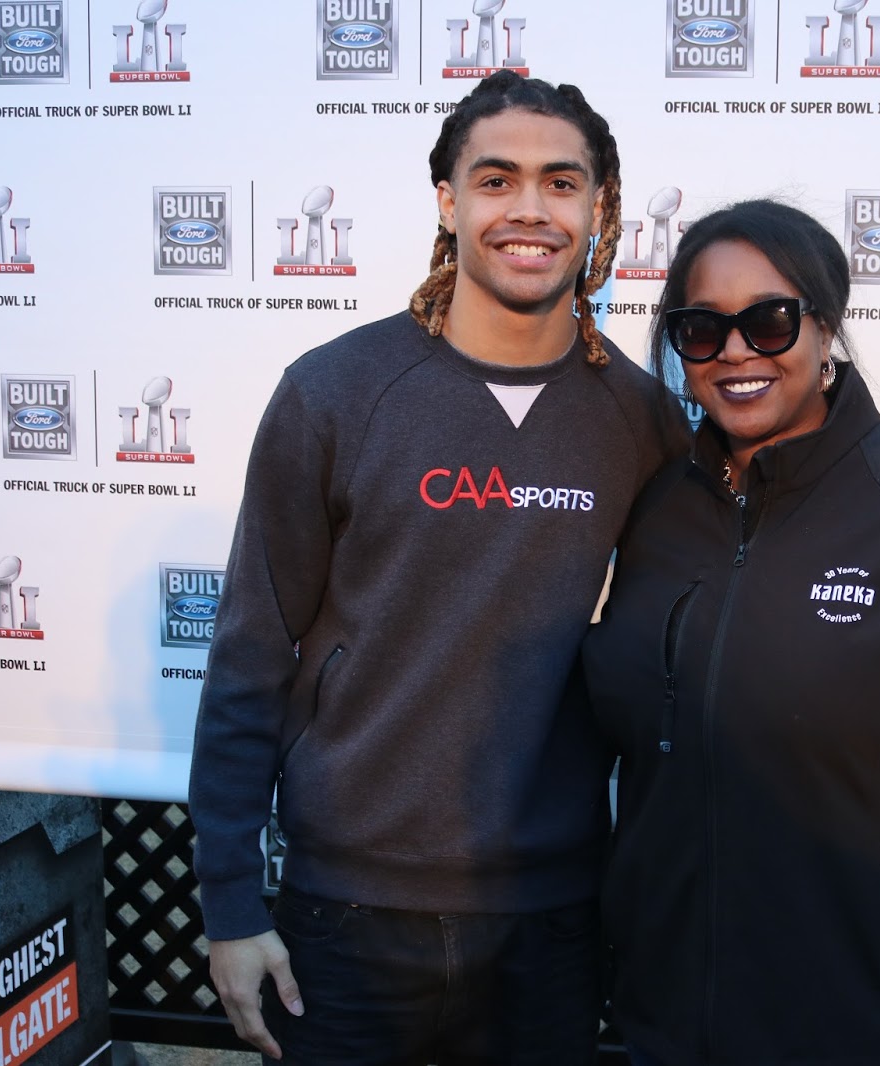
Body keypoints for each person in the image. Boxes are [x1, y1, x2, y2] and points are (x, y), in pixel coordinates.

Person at [188, 70, 685, 1064]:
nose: (529, 209)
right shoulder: (335, 393)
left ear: (599, 211)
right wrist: (230, 905)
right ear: (449, 203)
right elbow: (251, 654)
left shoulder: (639, 420)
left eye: (561, 182)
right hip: (344, 914)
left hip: (548, 919)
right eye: (496, 180)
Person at [583, 199, 880, 1065]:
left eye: (768, 321)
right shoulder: (657, 510)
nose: (736, 351)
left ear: (824, 324)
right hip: (662, 1026)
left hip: (860, 1029)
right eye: (702, 328)